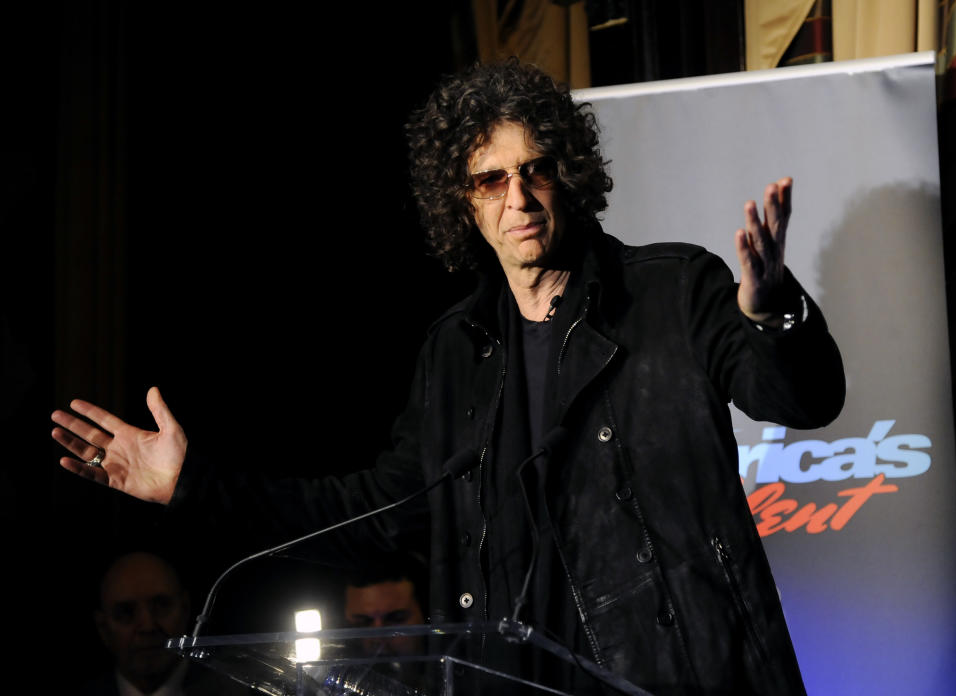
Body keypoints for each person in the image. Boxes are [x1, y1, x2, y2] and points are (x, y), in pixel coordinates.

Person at [53, 59, 844, 695]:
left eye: (535, 169)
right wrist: (192, 485)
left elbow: (804, 399)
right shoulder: (457, 353)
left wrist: (772, 310)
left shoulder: (672, 291)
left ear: (567, 174)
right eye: (490, 179)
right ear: (460, 202)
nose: (519, 197)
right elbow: (372, 513)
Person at [82, 551, 248, 696]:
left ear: (185, 609)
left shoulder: (237, 691)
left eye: (161, 606)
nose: (148, 626)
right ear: (103, 628)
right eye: (126, 612)